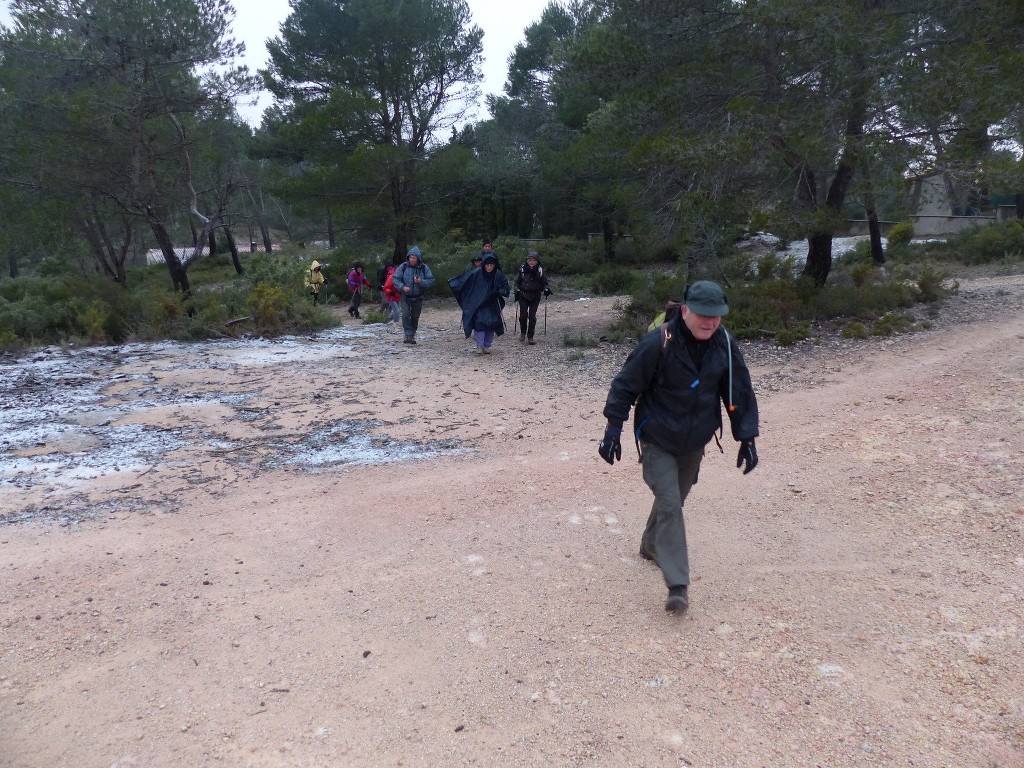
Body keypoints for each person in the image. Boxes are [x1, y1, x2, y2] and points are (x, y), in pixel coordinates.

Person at [598, 280, 760, 615]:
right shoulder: (658, 343)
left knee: (675, 497)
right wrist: (613, 428)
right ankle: (677, 585)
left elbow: (738, 392)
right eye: (702, 314)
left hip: (694, 439)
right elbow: (625, 385)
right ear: (685, 310)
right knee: (670, 501)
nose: (709, 321)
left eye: (716, 316)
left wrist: (747, 438)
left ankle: (650, 544)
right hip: (657, 435)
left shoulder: (725, 346)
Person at [448, 254, 510, 354]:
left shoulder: (498, 274)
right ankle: (479, 346)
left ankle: (486, 346)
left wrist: (500, 291)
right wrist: (454, 283)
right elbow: (464, 281)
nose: (489, 267)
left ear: (495, 265)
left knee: (491, 325)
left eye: (491, 265)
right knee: (479, 324)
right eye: (487, 265)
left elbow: (505, 287)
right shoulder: (476, 273)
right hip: (478, 303)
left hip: (492, 303)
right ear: (484, 265)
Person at [391, 246, 435, 344]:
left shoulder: (424, 268)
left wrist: (421, 281)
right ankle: (408, 335)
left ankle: (412, 334)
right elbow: (395, 278)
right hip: (405, 296)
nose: (412, 259)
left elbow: (431, 280)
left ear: (418, 258)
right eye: (410, 257)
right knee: (405, 315)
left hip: (418, 296)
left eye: (414, 258)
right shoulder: (403, 267)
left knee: (415, 317)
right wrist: (402, 287)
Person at [514, 250, 551, 344]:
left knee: (532, 317)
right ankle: (522, 332)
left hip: (535, 295)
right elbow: (516, 282)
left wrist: (546, 289)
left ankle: (530, 336)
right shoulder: (522, 269)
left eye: (534, 260)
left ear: (537, 261)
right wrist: (517, 290)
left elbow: (545, 283)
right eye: (530, 260)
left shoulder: (540, 270)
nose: (532, 262)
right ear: (527, 260)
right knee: (523, 316)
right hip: (523, 295)